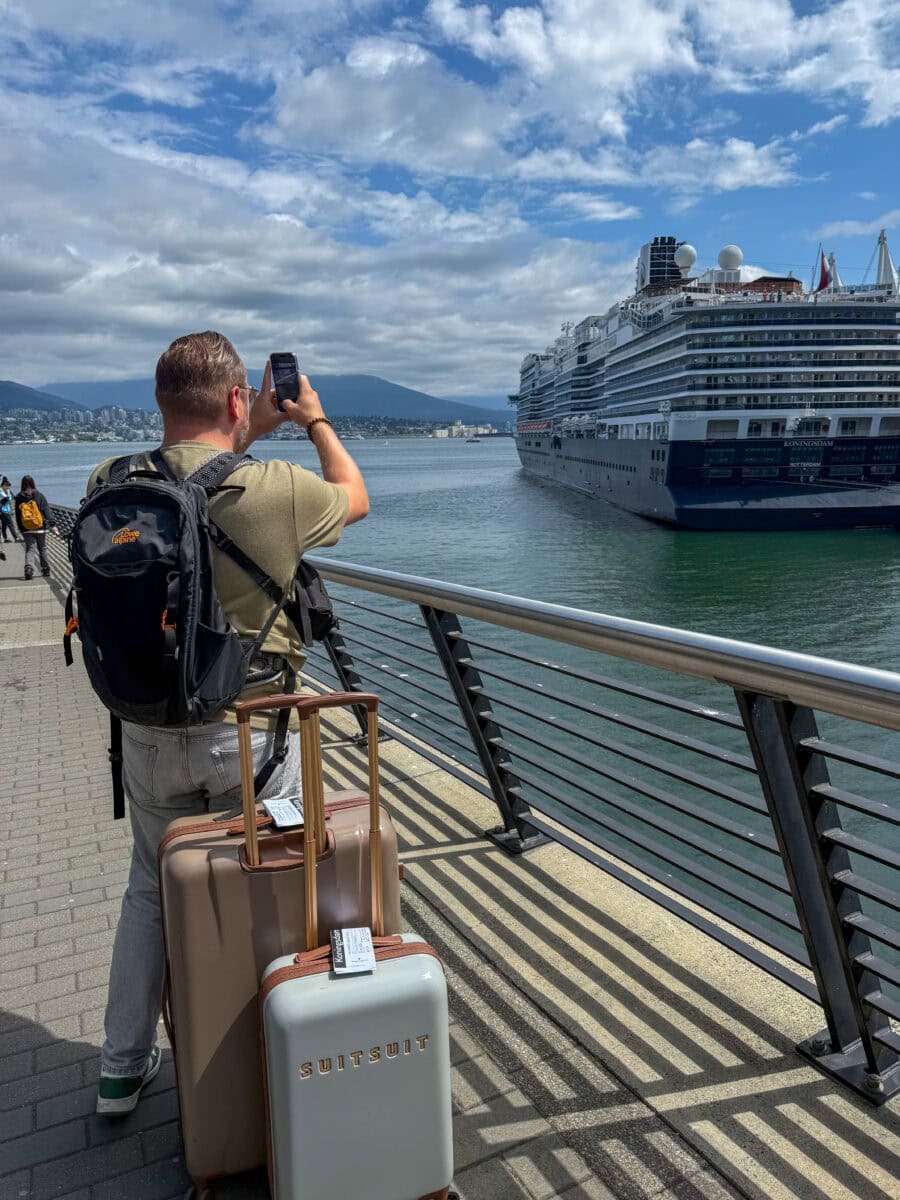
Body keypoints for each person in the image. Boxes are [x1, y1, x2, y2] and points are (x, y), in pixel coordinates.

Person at [88, 331, 368, 1115]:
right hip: (251, 736)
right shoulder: (273, 489)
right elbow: (355, 494)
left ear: (158, 402)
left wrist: (246, 425)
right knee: (272, 879)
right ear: (240, 399)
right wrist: (311, 421)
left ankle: (120, 1069)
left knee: (149, 886)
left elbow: (192, 470)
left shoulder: (111, 480)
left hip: (144, 729)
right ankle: (275, 1056)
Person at [15, 476, 58, 579]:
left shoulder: (19, 497)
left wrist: (21, 529)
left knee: (30, 549)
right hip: (40, 527)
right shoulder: (39, 495)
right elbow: (46, 510)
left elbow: (18, 515)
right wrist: (52, 525)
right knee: (42, 548)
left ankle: (29, 568)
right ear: (33, 482)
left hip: (27, 529)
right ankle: (46, 570)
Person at [0, 477, 20, 543]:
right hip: (3, 510)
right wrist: (8, 493)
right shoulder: (0, 491)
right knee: (10, 524)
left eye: (8, 486)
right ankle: (16, 538)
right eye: (6, 486)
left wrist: (8, 492)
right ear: (2, 485)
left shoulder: (7, 490)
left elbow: (10, 498)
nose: (8, 487)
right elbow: (7, 498)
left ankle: (5, 538)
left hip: (7, 509)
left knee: (4, 525)